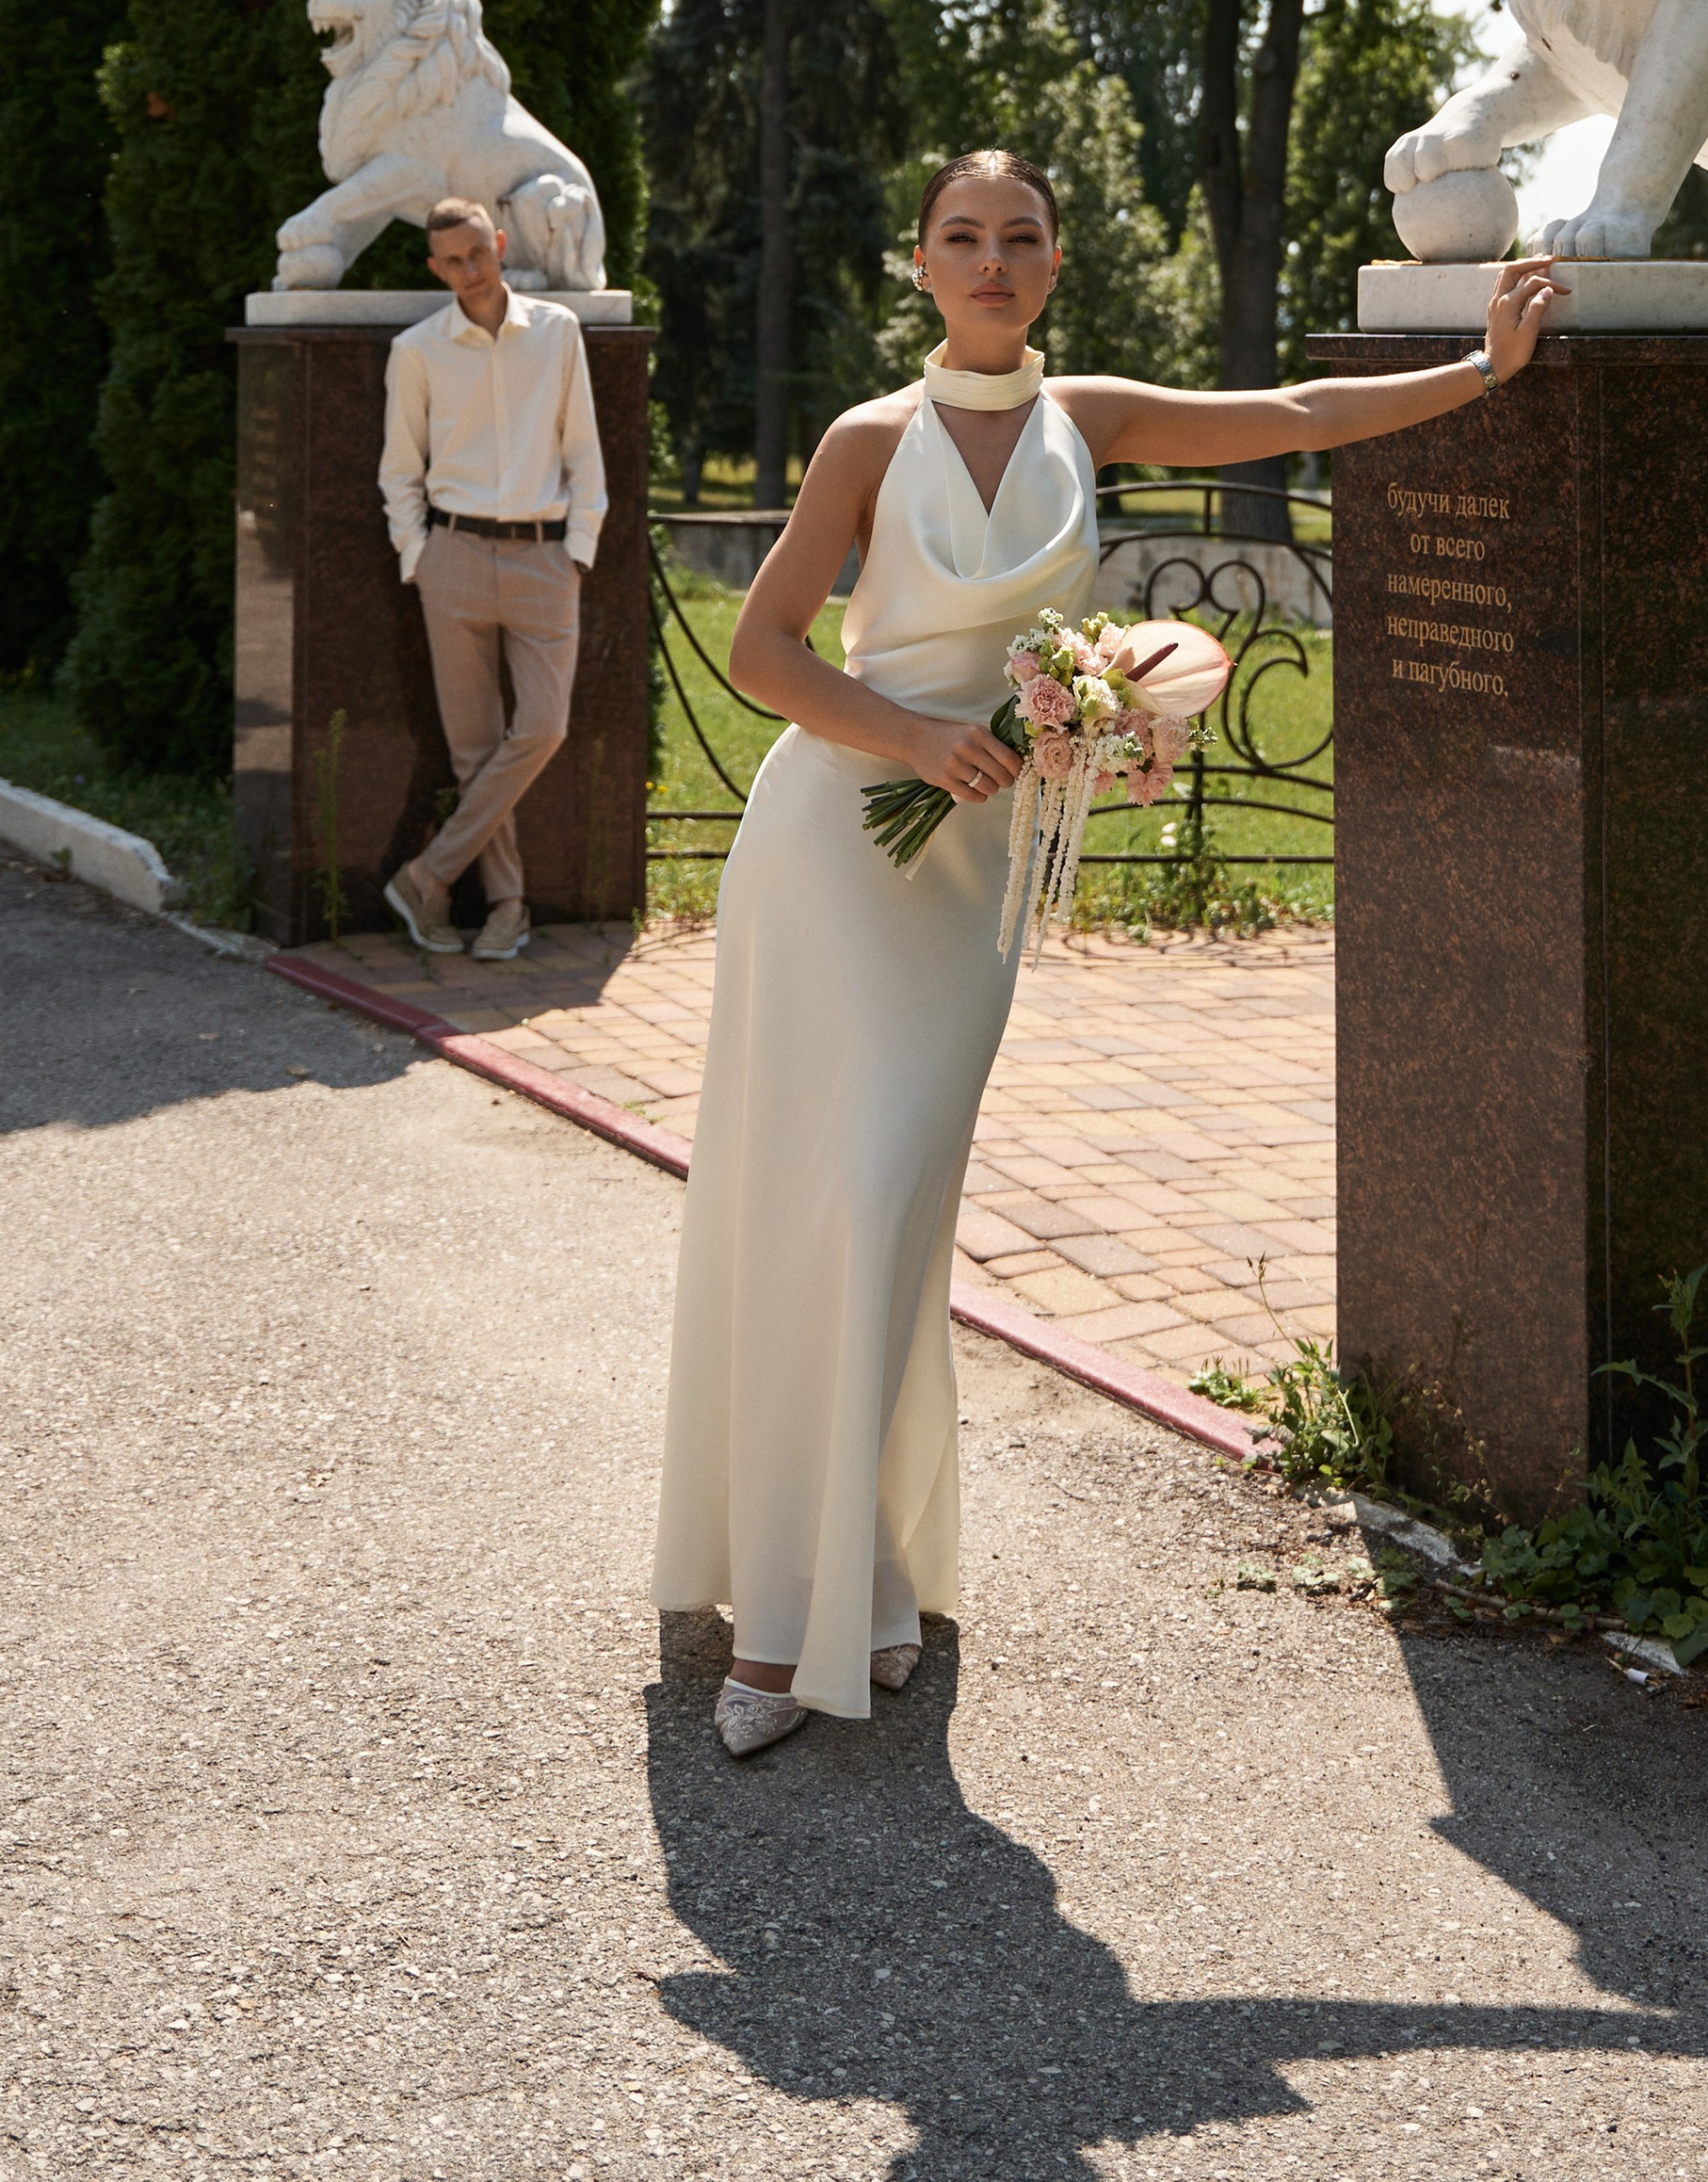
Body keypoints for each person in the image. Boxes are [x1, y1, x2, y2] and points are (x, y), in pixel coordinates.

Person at [652, 148, 1564, 1755]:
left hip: (973, 879)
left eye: (1020, 237)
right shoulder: (868, 438)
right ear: (921, 264)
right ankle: (787, 1623)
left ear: (1056, 263)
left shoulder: (1097, 418)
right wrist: (912, 738)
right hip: (833, 852)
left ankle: (870, 1575)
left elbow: (1296, 413)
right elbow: (761, 649)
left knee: (896, 1206)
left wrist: (1483, 373)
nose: (992, 262)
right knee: (825, 1204)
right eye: (962, 238)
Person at [378, 195, 607, 965]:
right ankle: (507, 906)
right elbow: (400, 469)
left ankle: (428, 876)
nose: (470, 268)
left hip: (545, 558)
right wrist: (419, 557)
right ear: (435, 268)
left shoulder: (557, 331)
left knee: (543, 728)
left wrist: (578, 550)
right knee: (474, 750)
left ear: (500, 243)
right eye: (453, 260)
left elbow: (584, 451)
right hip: (454, 559)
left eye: (479, 251)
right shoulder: (417, 351)